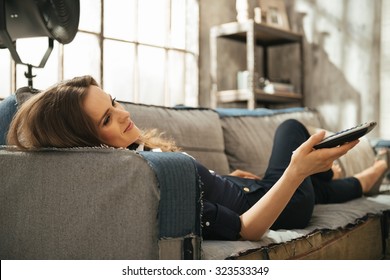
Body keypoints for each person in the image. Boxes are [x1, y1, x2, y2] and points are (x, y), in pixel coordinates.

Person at [6, 75, 388, 241]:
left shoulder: (141, 155)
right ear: (84, 143)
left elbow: (208, 187)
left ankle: (363, 174)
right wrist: (294, 171)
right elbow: (248, 229)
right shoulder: (152, 183)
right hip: (274, 207)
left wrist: (229, 178)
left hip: (254, 189)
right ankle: (374, 169)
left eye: (114, 102)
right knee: (291, 128)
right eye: (107, 118)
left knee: (319, 184)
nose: (123, 114)